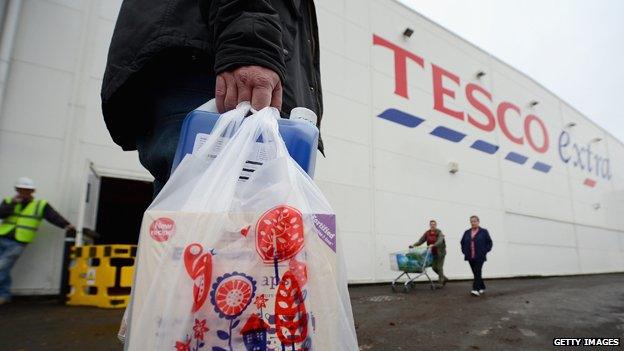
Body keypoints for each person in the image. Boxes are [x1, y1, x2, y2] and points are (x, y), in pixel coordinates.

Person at [101, 0, 323, 196]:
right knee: (211, 224)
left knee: (203, 226)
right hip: (217, 71)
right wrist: (249, 41)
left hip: (226, 67)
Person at [0, 177, 76, 304]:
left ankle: (4, 295)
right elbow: (2, 214)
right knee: (5, 267)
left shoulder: (40, 205)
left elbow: (53, 216)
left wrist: (66, 225)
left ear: (32, 191)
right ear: (17, 190)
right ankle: (4, 295)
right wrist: (13, 203)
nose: (23, 192)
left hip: (19, 241)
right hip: (3, 236)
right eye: (21, 190)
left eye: (27, 190)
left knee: (2, 265)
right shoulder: (8, 201)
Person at [460, 215, 493, 297]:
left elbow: (489, 243)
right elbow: (462, 242)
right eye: (471, 221)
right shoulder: (467, 232)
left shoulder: (484, 231)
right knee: (476, 273)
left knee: (477, 271)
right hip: (470, 256)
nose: (473, 223)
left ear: (478, 221)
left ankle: (475, 289)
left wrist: (484, 251)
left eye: (474, 221)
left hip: (480, 256)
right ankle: (482, 287)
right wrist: (464, 251)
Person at [409, 219, 447, 287]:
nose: (432, 226)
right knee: (434, 268)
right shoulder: (427, 233)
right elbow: (421, 241)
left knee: (439, 267)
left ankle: (441, 283)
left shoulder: (439, 232)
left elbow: (440, 241)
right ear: (430, 225)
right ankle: (444, 278)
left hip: (440, 253)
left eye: (434, 224)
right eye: (431, 224)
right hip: (432, 253)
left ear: (436, 225)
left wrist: (434, 244)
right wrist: (414, 245)